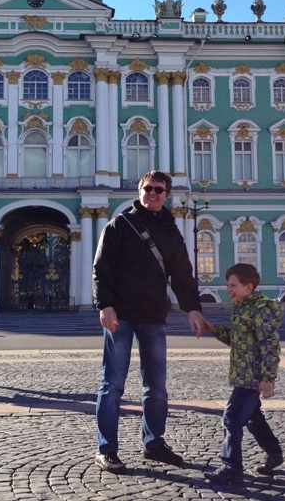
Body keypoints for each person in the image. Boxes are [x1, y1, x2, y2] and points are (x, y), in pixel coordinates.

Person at [93, 170, 205, 473]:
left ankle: (153, 443)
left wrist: (193, 308)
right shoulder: (120, 224)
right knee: (112, 385)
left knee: (156, 386)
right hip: (122, 315)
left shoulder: (170, 229)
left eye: (159, 190)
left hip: (154, 316)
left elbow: (182, 272)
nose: (153, 194)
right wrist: (105, 305)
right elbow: (102, 268)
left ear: (166, 195)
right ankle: (106, 450)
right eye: (148, 188)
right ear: (139, 190)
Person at [201, 263, 285, 486]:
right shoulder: (242, 307)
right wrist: (212, 329)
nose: (228, 289)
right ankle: (274, 453)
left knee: (231, 419)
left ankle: (231, 468)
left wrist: (268, 379)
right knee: (253, 418)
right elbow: (237, 340)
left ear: (248, 287)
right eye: (228, 285)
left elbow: (270, 345)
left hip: (252, 378)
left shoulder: (259, 310)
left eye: (233, 285)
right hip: (244, 375)